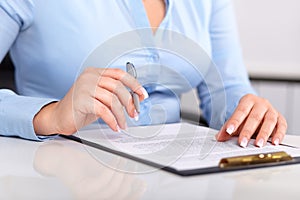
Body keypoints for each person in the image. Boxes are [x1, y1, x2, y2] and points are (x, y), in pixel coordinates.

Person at [0, 0, 287, 148]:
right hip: (53, 173)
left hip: (177, 174)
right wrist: (50, 115)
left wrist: (247, 114)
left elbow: (228, 87)